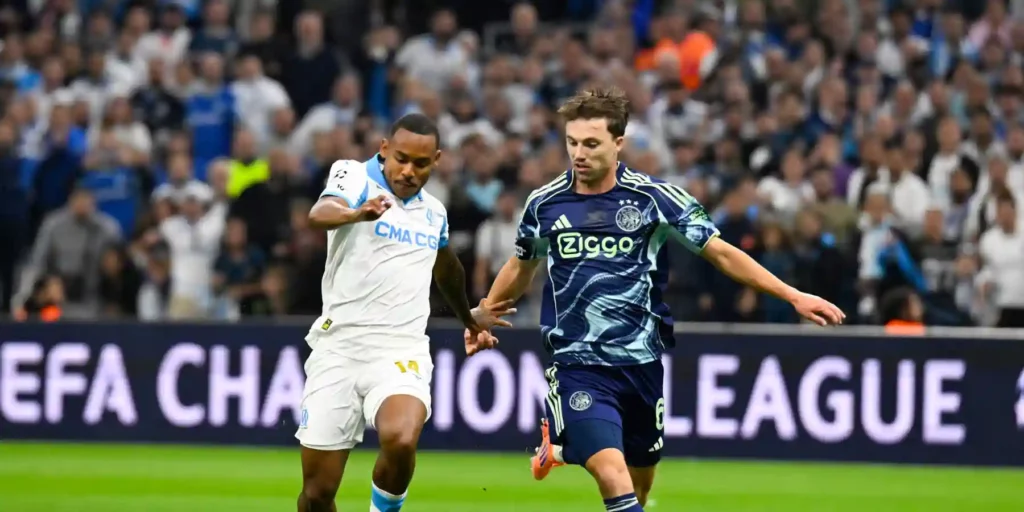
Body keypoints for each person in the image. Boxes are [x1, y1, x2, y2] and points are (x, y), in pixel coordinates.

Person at [471, 88, 845, 512]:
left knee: (640, 486)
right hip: (578, 364)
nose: (579, 153)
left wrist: (792, 295)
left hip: (641, 364)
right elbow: (521, 265)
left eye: (591, 143)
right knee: (613, 477)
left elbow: (720, 252)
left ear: (618, 143)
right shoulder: (545, 204)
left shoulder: (655, 199)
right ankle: (570, 442)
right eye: (572, 142)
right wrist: (481, 315)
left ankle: (560, 448)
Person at [295, 113, 513, 512]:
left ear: (437, 160)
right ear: (383, 149)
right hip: (338, 348)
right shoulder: (353, 176)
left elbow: (447, 268)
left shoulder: (434, 212)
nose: (409, 171)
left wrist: (469, 318)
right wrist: (356, 214)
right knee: (316, 495)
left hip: (400, 348)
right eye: (401, 158)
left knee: (401, 437)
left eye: (421, 163)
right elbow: (320, 214)